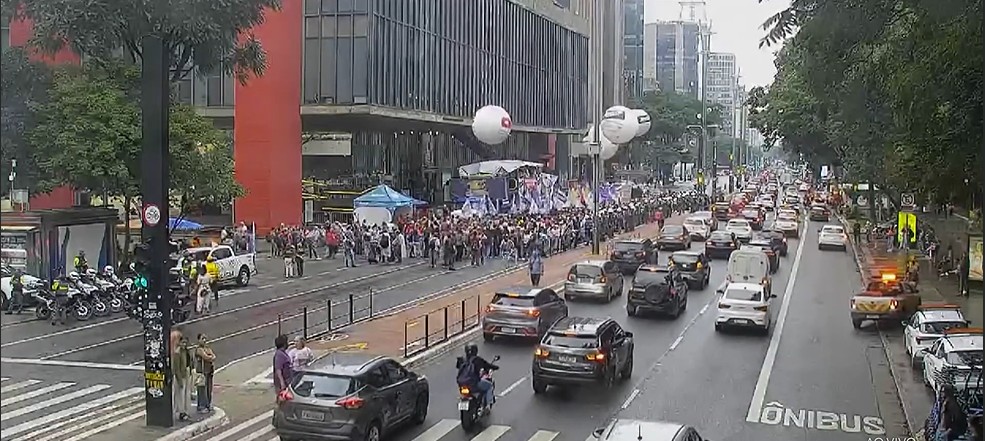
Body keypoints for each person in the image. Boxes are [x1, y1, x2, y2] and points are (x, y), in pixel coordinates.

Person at [455, 343, 499, 409]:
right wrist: (496, 367)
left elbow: (458, 367)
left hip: (462, 385)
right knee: (489, 386)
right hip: (474, 384)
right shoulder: (477, 360)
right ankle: (488, 404)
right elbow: (487, 365)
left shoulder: (463, 360)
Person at [172, 334, 193, 421]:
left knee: (186, 393)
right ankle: (181, 412)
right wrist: (179, 379)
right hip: (181, 375)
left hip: (187, 373)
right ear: (179, 342)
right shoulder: (177, 353)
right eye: (183, 342)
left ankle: (186, 411)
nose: (184, 344)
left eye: (185, 342)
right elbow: (176, 368)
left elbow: (189, 361)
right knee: (180, 394)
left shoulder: (186, 351)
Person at [194, 334, 216, 412]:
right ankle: (201, 406)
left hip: (209, 371)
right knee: (202, 389)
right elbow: (205, 357)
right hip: (202, 372)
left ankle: (208, 404)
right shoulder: (198, 349)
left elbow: (213, 356)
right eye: (202, 338)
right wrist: (210, 357)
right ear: (198, 340)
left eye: (205, 338)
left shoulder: (207, 348)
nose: (204, 340)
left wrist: (210, 357)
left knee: (209, 389)